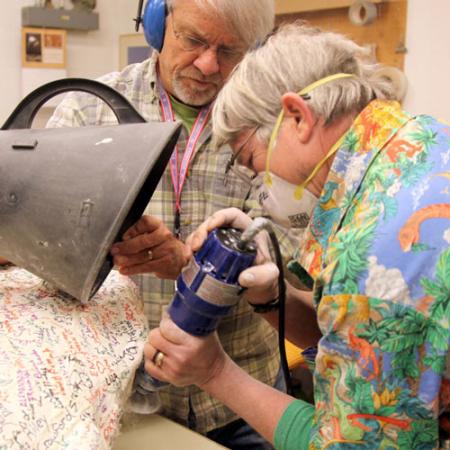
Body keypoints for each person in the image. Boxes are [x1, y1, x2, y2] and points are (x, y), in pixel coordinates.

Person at [143, 22, 450, 449]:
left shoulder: (374, 254)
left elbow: (348, 444)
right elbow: (367, 349)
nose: (261, 188)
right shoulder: (423, 141)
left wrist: (214, 372)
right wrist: (273, 299)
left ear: (298, 117)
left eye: (251, 161)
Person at [40, 1, 301, 449]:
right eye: (194, 40)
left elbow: (295, 249)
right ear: (159, 24)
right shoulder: (89, 111)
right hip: (121, 400)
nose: (207, 64)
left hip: (243, 395)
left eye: (229, 51)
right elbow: (40, 242)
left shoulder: (273, 124)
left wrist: (193, 262)